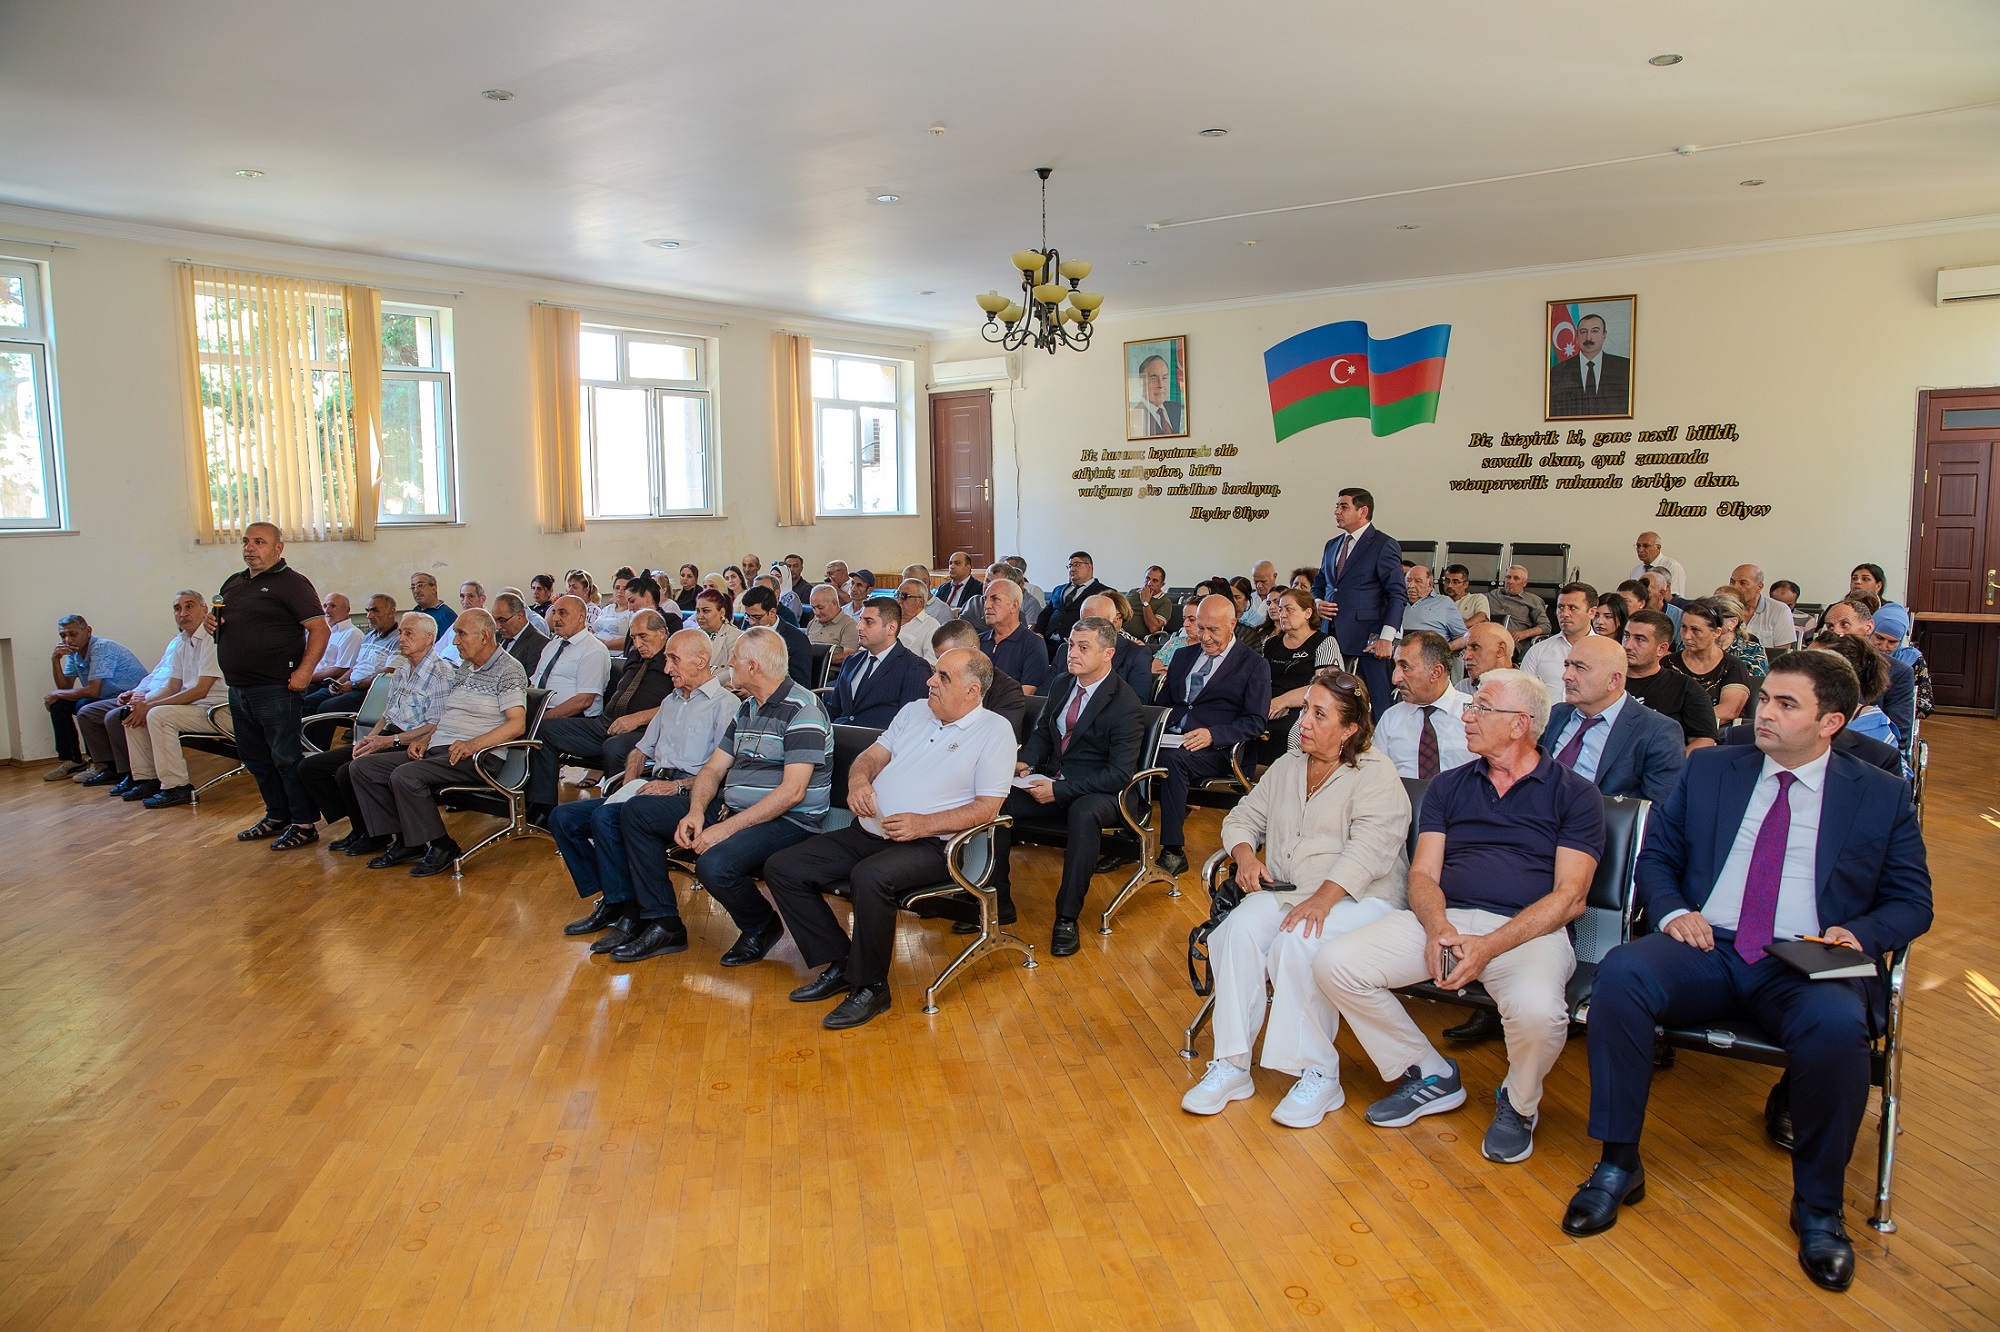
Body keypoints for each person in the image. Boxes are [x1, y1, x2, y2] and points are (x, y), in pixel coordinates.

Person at [1565, 651, 1932, 1293]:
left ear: (1831, 722)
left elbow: (1912, 901)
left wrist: (1860, 935)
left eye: (1786, 705)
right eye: (1765, 699)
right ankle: (1618, 1163)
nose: (1765, 713)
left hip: (1805, 957)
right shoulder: (1712, 768)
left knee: (1838, 1029)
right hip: (1709, 944)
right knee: (1622, 975)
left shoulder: (1878, 794)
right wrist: (1673, 910)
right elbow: (1657, 856)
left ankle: (1818, 1206)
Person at [1314, 669, 1605, 1165]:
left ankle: (1519, 1103)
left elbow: (1570, 898)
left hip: (1528, 933)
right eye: (1470, 707)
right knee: (1334, 963)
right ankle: (1427, 1071)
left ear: (1520, 724)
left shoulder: (1575, 794)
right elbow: (1423, 873)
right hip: (1444, 921)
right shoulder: (1448, 786)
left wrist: (1489, 946)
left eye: (1481, 708)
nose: (1466, 717)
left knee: (1540, 1014)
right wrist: (1439, 929)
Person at [1182, 671, 1412, 1126]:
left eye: (1318, 714)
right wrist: (1245, 857)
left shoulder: (1376, 773)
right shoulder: (1289, 766)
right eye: (1305, 708)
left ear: (1349, 729)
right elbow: (1242, 817)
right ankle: (1232, 1065)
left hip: (1363, 897)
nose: (1303, 721)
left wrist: (1323, 900)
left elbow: (1369, 851)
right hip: (1294, 890)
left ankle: (1319, 1073)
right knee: (1235, 933)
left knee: (1298, 941)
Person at [765, 647, 1016, 1027]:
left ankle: (871, 987)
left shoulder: (994, 731)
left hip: (935, 846)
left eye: (943, 677)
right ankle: (840, 962)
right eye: (934, 672)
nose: (930, 681)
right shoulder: (915, 711)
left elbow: (987, 809)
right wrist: (858, 782)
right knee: (784, 866)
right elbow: (871, 757)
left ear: (972, 690)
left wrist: (924, 824)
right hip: (870, 830)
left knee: (870, 877)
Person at [613, 629, 834, 965]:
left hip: (790, 820)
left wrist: (725, 829)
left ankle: (760, 925)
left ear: (753, 666)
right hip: (733, 808)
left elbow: (792, 793)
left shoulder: (803, 709)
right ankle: (664, 923)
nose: (728, 663)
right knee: (638, 811)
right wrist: (696, 811)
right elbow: (714, 769)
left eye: (734, 658)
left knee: (714, 863)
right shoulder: (747, 708)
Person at [551, 628, 737, 954]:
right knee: (564, 818)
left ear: (701, 660)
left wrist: (674, 786)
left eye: (674, 660)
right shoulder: (671, 701)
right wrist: (627, 786)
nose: (667, 668)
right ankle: (615, 899)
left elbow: (722, 772)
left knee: (609, 817)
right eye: (667, 660)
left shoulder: (725, 706)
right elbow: (640, 751)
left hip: (694, 795)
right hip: (653, 785)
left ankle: (636, 914)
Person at [988, 618, 1145, 955]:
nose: (1072, 653)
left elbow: (1119, 775)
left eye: (1083, 647)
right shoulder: (1062, 683)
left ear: (1108, 654)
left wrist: (1059, 791)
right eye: (1071, 645)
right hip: (1055, 781)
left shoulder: (1125, 703)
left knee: (1084, 813)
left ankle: (1066, 917)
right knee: (997, 801)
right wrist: (1026, 763)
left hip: (1103, 793)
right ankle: (998, 900)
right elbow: (1044, 733)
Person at [345, 609, 527, 875]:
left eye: (461, 634)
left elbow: (517, 724)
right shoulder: (466, 668)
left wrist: (472, 745)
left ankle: (442, 846)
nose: (454, 641)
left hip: (477, 757)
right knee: (363, 767)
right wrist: (426, 738)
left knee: (405, 775)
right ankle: (408, 842)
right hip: (441, 750)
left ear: (485, 636)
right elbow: (448, 715)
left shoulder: (509, 669)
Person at [213, 523, 331, 848]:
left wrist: (305, 671)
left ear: (279, 548)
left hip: (277, 688)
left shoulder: (292, 583)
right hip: (239, 688)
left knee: (286, 757)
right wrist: (213, 624)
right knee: (255, 758)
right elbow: (225, 627)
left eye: (259, 542)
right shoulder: (233, 583)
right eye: (246, 542)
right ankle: (277, 815)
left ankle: (304, 823)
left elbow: (320, 629)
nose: (250, 547)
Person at [306, 613, 455, 847]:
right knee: (311, 767)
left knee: (348, 771)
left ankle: (378, 835)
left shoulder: (441, 673)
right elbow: (387, 714)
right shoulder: (402, 669)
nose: (401, 638)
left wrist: (388, 741)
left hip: (411, 741)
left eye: (408, 633)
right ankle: (363, 826)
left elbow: (433, 726)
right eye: (401, 632)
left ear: (428, 638)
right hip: (388, 734)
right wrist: (370, 738)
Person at [1154, 595, 1275, 875]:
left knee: (1173, 762)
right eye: (1200, 628)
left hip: (1218, 749)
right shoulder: (1183, 656)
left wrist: (1213, 734)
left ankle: (1173, 850)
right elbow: (1161, 705)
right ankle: (1127, 835)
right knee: (1126, 750)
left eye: (1213, 630)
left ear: (1232, 624)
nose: (1205, 637)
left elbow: (1256, 721)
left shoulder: (1253, 664)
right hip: (1172, 738)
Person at [528, 607, 673, 818]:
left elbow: (681, 703)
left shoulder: (673, 659)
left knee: (615, 747)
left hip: (645, 729)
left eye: (643, 636)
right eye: (633, 637)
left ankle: (614, 815)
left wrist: (637, 718)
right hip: (606, 723)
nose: (637, 644)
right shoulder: (636, 655)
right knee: (543, 730)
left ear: (661, 633)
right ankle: (543, 809)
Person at [86, 592, 224, 802]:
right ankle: (146, 779)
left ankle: (177, 787)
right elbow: (172, 687)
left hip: (219, 709)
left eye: (189, 606)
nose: (182, 613)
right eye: (177, 608)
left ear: (204, 610)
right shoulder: (181, 642)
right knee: (132, 713)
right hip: (196, 708)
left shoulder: (213, 639)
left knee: (158, 715)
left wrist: (150, 706)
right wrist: (142, 704)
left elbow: (200, 690)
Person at [1548, 635, 1686, 802]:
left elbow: (1657, 808)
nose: (1566, 676)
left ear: (1613, 680)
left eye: (1580, 668)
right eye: (1567, 665)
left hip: (1601, 817)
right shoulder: (1556, 715)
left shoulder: (1657, 732)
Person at [1311, 487, 1405, 718]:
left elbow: (1397, 594)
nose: (1336, 511)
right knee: (1335, 704)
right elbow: (1319, 583)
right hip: (1330, 636)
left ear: (1363, 511)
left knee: (1376, 705)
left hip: (1367, 640)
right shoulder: (1332, 544)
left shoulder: (1383, 544)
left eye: (1343, 506)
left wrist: (1386, 638)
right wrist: (1317, 602)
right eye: (1337, 506)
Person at [43, 614, 148, 782]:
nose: (67, 640)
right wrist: (55, 660)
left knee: (83, 704)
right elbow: (65, 688)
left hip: (128, 696)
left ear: (88, 631)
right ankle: (73, 761)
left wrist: (56, 693)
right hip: (106, 696)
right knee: (59, 704)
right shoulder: (74, 653)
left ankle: (99, 763)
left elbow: (93, 691)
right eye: (63, 635)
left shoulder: (101, 648)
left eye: (73, 634)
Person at [1258, 587, 1342, 765]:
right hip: (1269, 705)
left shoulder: (1324, 642)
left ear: (1307, 613)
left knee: (1296, 733)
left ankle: (1293, 777)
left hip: (1306, 707)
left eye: (1289, 609)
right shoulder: (1271, 644)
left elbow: (1325, 687)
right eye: (1281, 609)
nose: (1283, 614)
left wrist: (1283, 701)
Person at [1376, 631, 1474, 780]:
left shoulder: (1475, 713)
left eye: (1405, 667)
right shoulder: (1390, 718)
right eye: (1396, 667)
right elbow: (1375, 777)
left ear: (1436, 672)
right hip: (1401, 794)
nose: (1395, 679)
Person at [1820, 598, 1916, 746]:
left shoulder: (1898, 672)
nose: (1836, 631)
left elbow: (1899, 736)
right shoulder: (1817, 664)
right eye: (1830, 627)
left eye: (1844, 624)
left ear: (1869, 627)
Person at [818, 598, 927, 727]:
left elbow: (910, 723)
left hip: (878, 737)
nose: (859, 627)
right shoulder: (851, 661)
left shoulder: (914, 667)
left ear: (891, 628)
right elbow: (834, 709)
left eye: (868, 622)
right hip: (839, 733)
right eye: (860, 620)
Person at [1622, 611, 1718, 751]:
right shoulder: (1604, 679)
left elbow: (1704, 740)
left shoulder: (1685, 688)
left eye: (1640, 639)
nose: (1628, 645)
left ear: (1661, 649)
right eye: (1626, 636)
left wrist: (1673, 763)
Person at [304, 594, 402, 715]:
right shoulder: (369, 636)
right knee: (307, 702)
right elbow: (356, 665)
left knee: (326, 708)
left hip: (369, 690)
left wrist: (354, 685)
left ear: (391, 612)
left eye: (375, 610)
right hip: (351, 684)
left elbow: (387, 673)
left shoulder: (398, 639)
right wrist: (339, 682)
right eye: (367, 611)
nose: (369, 616)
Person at [1668, 599, 1755, 725]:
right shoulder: (1668, 663)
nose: (1686, 636)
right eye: (1683, 627)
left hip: (1714, 731)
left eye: (1695, 630)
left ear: (1716, 633)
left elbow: (1729, 710)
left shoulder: (1732, 666)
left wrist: (1685, 722)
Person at [1547, 311, 1631, 417]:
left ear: (1604, 335)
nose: (1588, 338)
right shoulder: (1558, 372)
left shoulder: (1624, 368)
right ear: (1577, 336)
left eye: (1595, 331)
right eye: (1583, 332)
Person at [1519, 583, 1597, 696]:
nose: (1564, 614)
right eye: (1560, 607)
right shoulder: (1538, 651)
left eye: (1572, 608)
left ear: (1592, 612)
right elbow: (1521, 695)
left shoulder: (1607, 652)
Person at [978, 578, 1051, 695]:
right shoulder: (979, 640)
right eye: (985, 599)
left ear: (1014, 606)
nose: (987, 605)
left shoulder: (1033, 644)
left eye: (995, 599)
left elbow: (1027, 692)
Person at [1037, 551, 1112, 651]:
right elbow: (1045, 614)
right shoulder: (1058, 590)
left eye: (1077, 565)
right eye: (1070, 566)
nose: (1072, 569)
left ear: (1089, 567)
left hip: (1078, 646)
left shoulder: (1103, 592)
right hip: (1047, 643)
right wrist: (1038, 633)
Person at [1868, 603, 1932, 721]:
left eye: (1892, 642)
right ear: (1870, 631)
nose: (1883, 646)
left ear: (1901, 640)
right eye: (1879, 638)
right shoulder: (1857, 654)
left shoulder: (1913, 659)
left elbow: (1925, 705)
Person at [743, 584, 813, 686]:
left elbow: (800, 684)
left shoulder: (796, 640)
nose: (751, 622)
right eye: (748, 616)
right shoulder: (749, 632)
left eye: (757, 617)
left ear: (772, 612)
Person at [1485, 566, 1551, 660]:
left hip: (1511, 644)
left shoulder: (1533, 600)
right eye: (1508, 577)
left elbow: (1545, 626)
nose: (1510, 581)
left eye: (1516, 578)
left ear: (1524, 583)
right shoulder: (1492, 595)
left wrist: (1524, 633)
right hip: (1487, 639)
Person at [1729, 564, 1799, 650]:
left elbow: (1782, 652)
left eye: (1743, 583)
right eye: (1732, 582)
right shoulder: (1723, 608)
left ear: (1759, 587)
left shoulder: (1780, 610)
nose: (1735, 587)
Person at [1400, 565, 1468, 654]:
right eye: (1408, 580)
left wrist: (1443, 651)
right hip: (1398, 654)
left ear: (1430, 584)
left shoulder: (1444, 603)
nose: (1411, 585)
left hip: (1431, 656)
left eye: (1418, 581)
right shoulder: (1396, 602)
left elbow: (1464, 638)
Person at [307, 593, 361, 688]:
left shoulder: (353, 634)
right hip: (311, 678)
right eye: (325, 606)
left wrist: (305, 678)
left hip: (325, 684)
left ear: (347, 610)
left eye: (333, 606)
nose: (327, 610)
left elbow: (341, 670)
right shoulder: (325, 630)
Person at [492, 591, 551, 676]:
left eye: (502, 620)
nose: (498, 626)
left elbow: (529, 680)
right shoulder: (496, 637)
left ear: (520, 616)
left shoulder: (540, 644)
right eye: (495, 620)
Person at [693, 588, 744, 685]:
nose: (700, 616)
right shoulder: (693, 635)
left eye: (705, 611)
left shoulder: (735, 636)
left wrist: (707, 683)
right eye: (698, 611)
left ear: (722, 612)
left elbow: (734, 669)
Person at [805, 583, 861, 667]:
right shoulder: (812, 623)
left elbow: (848, 657)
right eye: (813, 608)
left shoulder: (849, 625)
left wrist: (816, 658)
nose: (816, 612)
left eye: (820, 608)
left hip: (830, 671)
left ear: (834, 603)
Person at [1128, 352, 1184, 436]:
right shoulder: (1134, 418)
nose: (1161, 385)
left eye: (1164, 377)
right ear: (1141, 382)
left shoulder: (1177, 409)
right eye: (1154, 378)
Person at [1454, 621, 1516, 696]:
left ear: (1500, 650)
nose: (1465, 656)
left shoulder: (1526, 690)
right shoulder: (1463, 688)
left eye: (1475, 647)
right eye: (1465, 649)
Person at [895, 579, 943, 661]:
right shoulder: (888, 619)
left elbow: (931, 663)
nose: (899, 601)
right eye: (897, 595)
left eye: (904, 596)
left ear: (920, 602)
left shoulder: (931, 626)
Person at [1627, 532, 1686, 598]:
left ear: (1658, 547)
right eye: (1638, 546)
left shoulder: (1672, 567)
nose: (1640, 550)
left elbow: (1675, 599)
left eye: (1646, 546)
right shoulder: (1635, 570)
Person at [1129, 565, 1177, 637]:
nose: (1149, 583)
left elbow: (1154, 628)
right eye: (1147, 578)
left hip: (1137, 639)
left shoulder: (1165, 602)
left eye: (1155, 581)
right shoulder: (1133, 592)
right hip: (1118, 632)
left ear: (1162, 584)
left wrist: (1145, 602)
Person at [1439, 564, 1490, 629]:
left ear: (1466, 584)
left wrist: (1456, 628)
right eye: (1447, 581)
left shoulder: (1477, 598)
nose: (1449, 585)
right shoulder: (1438, 600)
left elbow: (1482, 617)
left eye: (1455, 582)